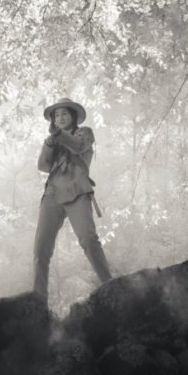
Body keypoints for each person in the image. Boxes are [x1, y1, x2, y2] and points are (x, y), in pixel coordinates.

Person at [33, 97, 112, 302]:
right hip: (52, 194)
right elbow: (43, 166)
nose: (59, 118)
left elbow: (77, 147)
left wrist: (59, 135)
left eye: (64, 114)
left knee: (88, 239)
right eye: (56, 115)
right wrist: (50, 144)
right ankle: (38, 299)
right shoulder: (52, 140)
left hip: (78, 191)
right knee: (41, 248)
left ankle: (111, 285)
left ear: (73, 116)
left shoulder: (84, 132)